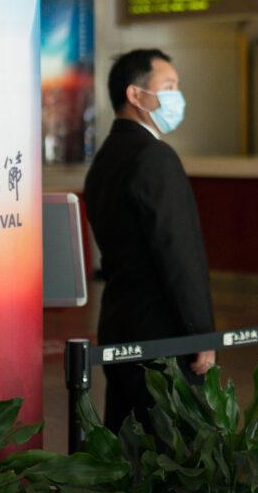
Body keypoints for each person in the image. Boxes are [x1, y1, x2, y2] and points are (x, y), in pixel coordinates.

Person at [83, 49, 216, 432]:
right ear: (136, 95)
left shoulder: (107, 156)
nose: (178, 96)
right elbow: (179, 254)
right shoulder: (154, 156)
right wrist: (201, 333)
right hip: (162, 334)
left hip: (120, 321)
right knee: (170, 450)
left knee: (127, 443)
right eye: (169, 86)